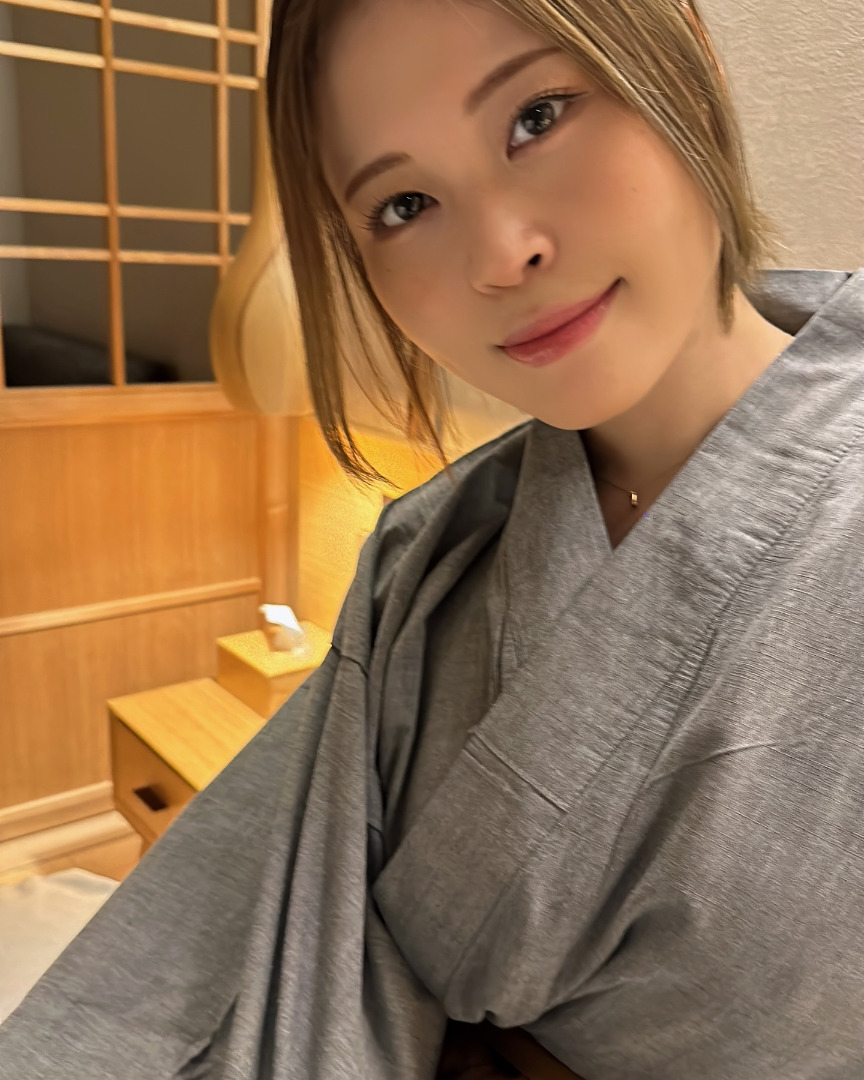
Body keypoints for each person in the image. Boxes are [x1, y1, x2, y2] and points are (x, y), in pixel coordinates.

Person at [0, 0, 862, 1077]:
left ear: (688, 70)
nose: (501, 255)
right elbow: (220, 949)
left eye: (538, 116)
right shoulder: (425, 554)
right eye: (403, 204)